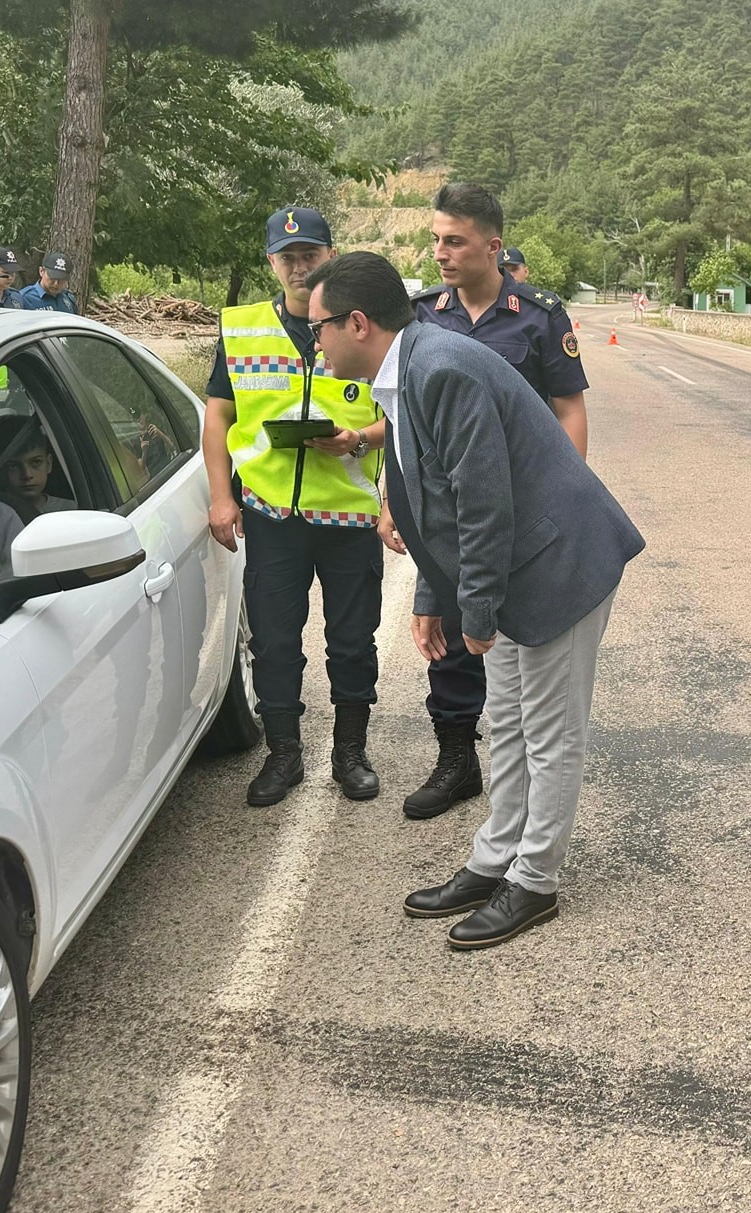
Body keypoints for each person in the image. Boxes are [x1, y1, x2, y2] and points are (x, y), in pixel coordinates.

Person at [308, 250, 644, 950]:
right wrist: (435, 594)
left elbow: (482, 505)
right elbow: (430, 498)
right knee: (510, 724)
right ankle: (496, 860)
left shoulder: (440, 370)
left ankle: (536, 880)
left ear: (358, 323)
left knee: (549, 735)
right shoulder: (407, 369)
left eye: (320, 328)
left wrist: (477, 611)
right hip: (521, 563)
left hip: (557, 566)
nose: (316, 343)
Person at [388, 183, 588, 822]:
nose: (440, 253)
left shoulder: (539, 316)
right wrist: (396, 497)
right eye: (436, 240)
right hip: (452, 509)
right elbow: (403, 422)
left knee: (517, 639)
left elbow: (568, 408)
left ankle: (523, 783)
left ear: (493, 246)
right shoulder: (423, 315)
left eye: (455, 241)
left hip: (520, 510)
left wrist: (566, 498)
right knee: (449, 631)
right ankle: (456, 759)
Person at [202, 207, 389, 808]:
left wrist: (357, 440)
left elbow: (402, 413)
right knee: (275, 642)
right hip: (271, 513)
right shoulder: (243, 329)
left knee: (353, 641)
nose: (300, 266)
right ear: (271, 263)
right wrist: (221, 497)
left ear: (330, 256)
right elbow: (218, 416)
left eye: (310, 254)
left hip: (349, 516)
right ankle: (283, 754)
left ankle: (350, 753)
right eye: (288, 257)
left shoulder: (360, 326)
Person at [0, 417, 77, 563]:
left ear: (49, 463)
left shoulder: (72, 512)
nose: (27, 475)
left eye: (36, 462)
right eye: (13, 466)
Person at [10, 251, 80, 313]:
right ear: (41, 271)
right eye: (52, 278)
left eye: (61, 279)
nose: (56, 283)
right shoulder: (25, 298)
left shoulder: (68, 299)